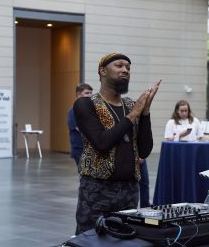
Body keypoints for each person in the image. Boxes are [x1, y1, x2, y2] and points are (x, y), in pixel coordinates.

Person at [73, 53, 161, 234]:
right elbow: (102, 142)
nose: (125, 70)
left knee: (124, 239)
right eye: (119, 66)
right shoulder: (86, 104)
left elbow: (144, 150)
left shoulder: (131, 105)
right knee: (91, 239)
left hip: (129, 190)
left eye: (128, 68)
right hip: (97, 190)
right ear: (102, 71)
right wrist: (133, 115)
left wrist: (145, 112)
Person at [67, 83, 93, 171]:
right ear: (78, 94)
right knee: (84, 173)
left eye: (90, 93)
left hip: (90, 147)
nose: (89, 95)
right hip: (79, 148)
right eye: (87, 93)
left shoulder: (91, 110)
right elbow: (79, 128)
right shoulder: (72, 111)